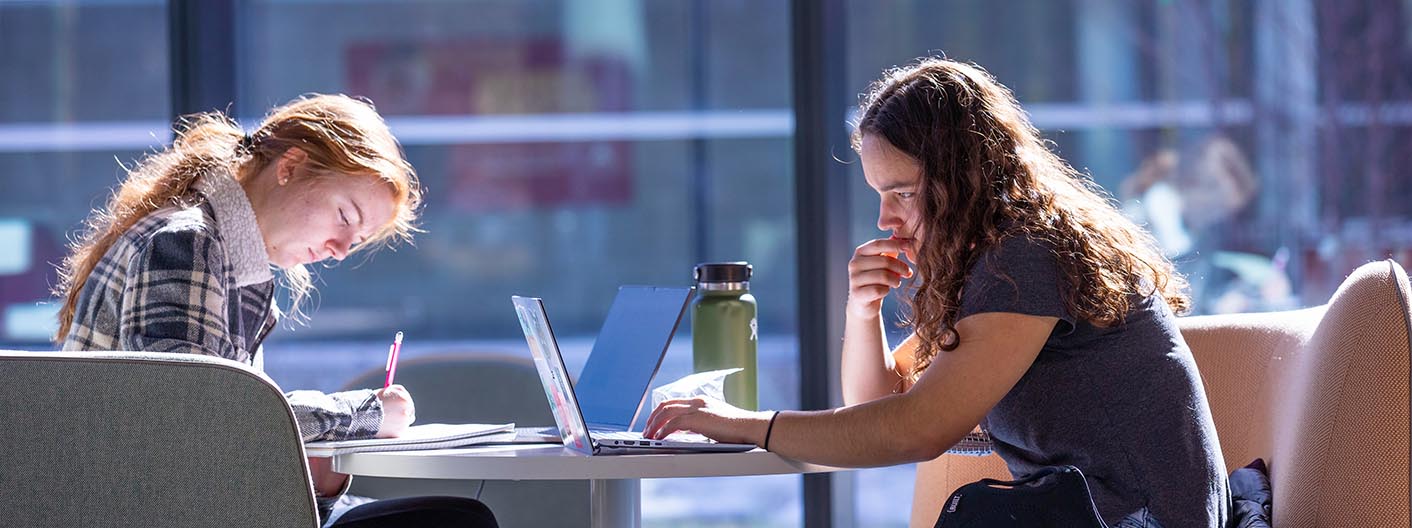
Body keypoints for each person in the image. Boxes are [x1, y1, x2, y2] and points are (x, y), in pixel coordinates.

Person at [644, 58, 1229, 528]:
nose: (884, 219)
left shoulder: (1027, 255)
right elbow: (876, 413)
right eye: (879, 193)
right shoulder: (994, 259)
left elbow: (916, 430)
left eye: (902, 192)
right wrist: (863, 309)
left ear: (964, 177)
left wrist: (743, 423)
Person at [53, 94, 498, 528]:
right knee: (457, 520)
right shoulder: (188, 244)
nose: (341, 251)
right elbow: (192, 418)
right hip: (148, 510)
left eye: (357, 241)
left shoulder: (227, 255)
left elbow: (217, 434)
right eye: (345, 216)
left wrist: (311, 476)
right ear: (290, 167)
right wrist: (365, 414)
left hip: (177, 503)